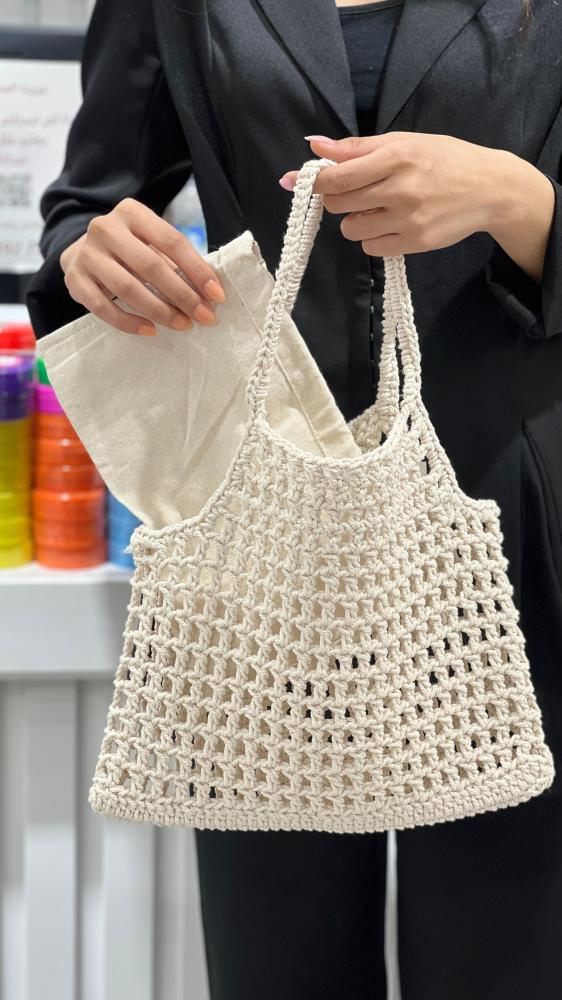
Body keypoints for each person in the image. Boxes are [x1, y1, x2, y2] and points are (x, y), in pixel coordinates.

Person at [25, 1, 562, 997]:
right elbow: (85, 208)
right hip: (262, 546)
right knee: (278, 963)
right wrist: (91, 254)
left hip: (515, 524)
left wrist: (516, 199)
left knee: (512, 962)